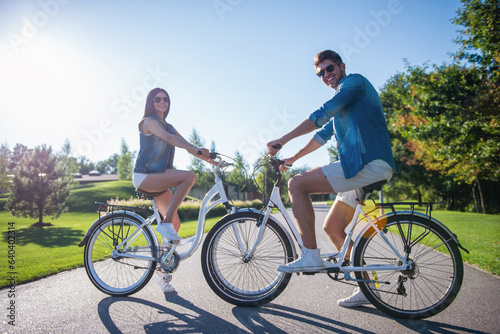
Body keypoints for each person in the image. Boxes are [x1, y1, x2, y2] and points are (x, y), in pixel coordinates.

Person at [267, 50, 397, 307]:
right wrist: (292, 158)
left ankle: (311, 255)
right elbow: (321, 136)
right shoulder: (344, 106)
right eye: (321, 73)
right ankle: (367, 288)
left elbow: (322, 114)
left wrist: (282, 139)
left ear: (341, 66)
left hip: (367, 163)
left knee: (297, 185)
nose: (326, 75)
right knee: (333, 228)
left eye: (329, 69)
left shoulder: (353, 83)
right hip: (361, 168)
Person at [132, 87, 215, 293]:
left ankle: (162, 272)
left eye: (165, 99)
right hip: (145, 176)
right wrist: (195, 150)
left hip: (158, 177)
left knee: (176, 223)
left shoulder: (169, 126)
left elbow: (184, 144)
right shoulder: (148, 122)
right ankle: (165, 223)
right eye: (157, 99)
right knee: (189, 176)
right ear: (151, 102)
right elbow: (170, 140)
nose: (162, 102)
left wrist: (208, 158)